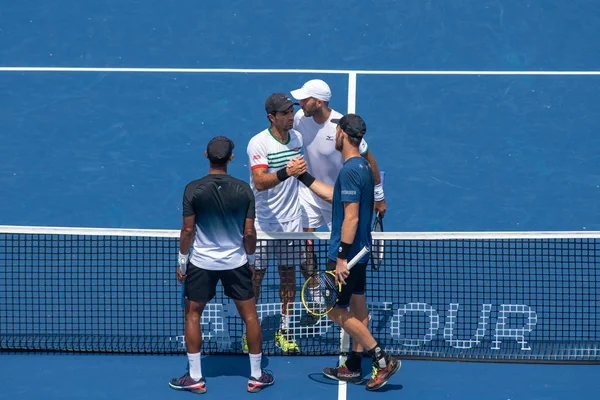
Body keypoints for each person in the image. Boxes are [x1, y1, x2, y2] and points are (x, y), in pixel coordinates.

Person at [292, 114, 400, 391]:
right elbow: (335, 197)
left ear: (341, 133)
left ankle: (381, 359)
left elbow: (350, 217)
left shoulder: (350, 170)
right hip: (361, 250)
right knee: (358, 304)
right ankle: (353, 365)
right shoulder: (361, 166)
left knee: (334, 310)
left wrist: (341, 257)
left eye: (335, 131)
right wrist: (303, 176)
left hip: (347, 254)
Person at [169, 136, 274, 394]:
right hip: (236, 263)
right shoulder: (243, 190)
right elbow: (250, 234)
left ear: (206, 155)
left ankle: (195, 377)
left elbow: (187, 230)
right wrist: (250, 260)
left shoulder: (193, 189)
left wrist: (182, 260)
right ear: (231, 158)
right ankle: (257, 375)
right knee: (250, 315)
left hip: (201, 263)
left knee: (193, 314)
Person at [290, 79, 387, 325]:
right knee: (303, 247)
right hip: (310, 196)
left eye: (305, 99)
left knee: (342, 255)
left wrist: (378, 195)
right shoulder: (301, 118)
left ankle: (338, 300)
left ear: (319, 102)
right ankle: (315, 291)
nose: (300, 103)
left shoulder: (341, 127)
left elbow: (369, 159)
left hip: (341, 199)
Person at [244, 93, 308, 354]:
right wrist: (286, 172)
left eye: (291, 111)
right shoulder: (258, 144)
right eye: (285, 113)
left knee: (288, 276)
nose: (291, 116)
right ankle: (250, 331)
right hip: (262, 224)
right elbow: (259, 181)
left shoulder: (297, 139)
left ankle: (286, 329)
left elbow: (299, 175)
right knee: (255, 278)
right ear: (272, 117)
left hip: (291, 222)